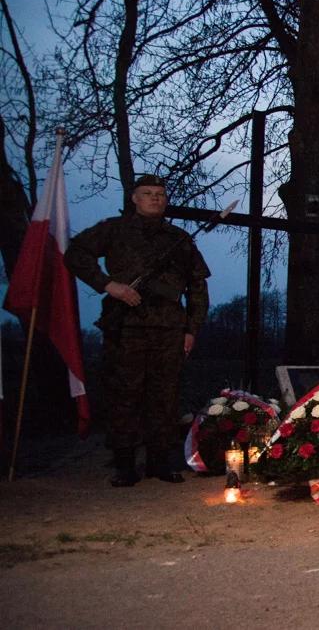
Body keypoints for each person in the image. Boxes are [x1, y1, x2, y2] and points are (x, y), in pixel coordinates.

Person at [64, 174, 210, 487]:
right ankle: (125, 464)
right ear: (134, 198)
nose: (155, 199)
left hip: (169, 328)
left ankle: (160, 462)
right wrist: (108, 285)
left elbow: (198, 288)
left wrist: (191, 329)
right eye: (147, 193)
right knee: (125, 394)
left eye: (160, 194)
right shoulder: (114, 231)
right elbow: (75, 253)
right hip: (126, 325)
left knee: (165, 396)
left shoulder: (180, 239)